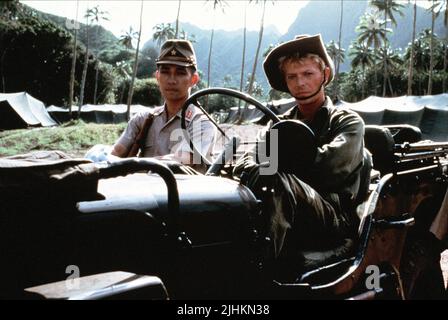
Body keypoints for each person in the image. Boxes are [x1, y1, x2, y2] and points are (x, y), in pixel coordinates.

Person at [234, 34, 371, 271]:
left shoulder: (347, 121)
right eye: (292, 77)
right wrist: (259, 167)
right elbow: (248, 161)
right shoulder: (278, 124)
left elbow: (329, 169)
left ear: (324, 75)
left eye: (308, 74)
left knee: (272, 178)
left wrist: (278, 166)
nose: (300, 83)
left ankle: (260, 273)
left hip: (333, 217)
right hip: (287, 205)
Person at [111, 39, 216, 167]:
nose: (171, 80)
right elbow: (117, 152)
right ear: (157, 76)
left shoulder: (202, 123)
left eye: (180, 73)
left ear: (193, 80)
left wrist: (135, 164)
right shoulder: (142, 119)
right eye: (166, 72)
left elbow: (183, 159)